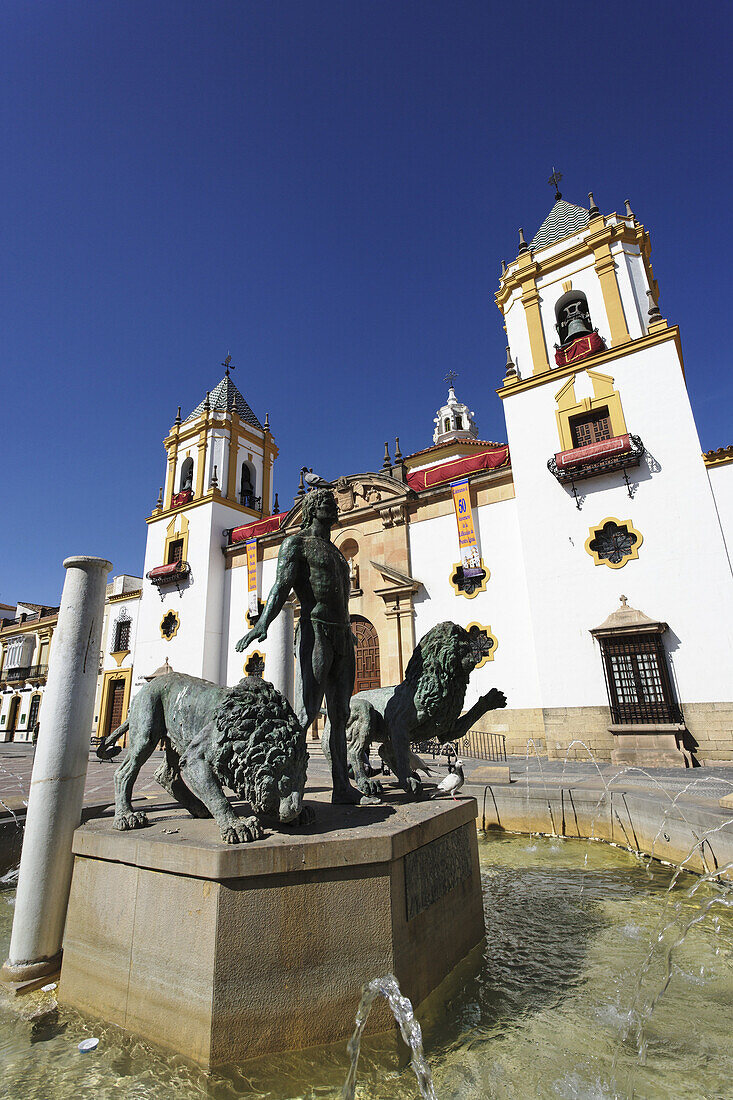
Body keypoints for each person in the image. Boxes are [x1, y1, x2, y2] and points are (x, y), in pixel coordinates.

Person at [236, 487, 365, 805]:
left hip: (342, 634)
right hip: (315, 631)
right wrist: (262, 625)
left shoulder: (335, 552)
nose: (333, 507)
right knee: (306, 713)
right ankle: (283, 786)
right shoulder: (296, 543)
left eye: (333, 503)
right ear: (312, 509)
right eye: (326, 503)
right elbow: (281, 586)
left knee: (340, 713)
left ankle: (342, 787)